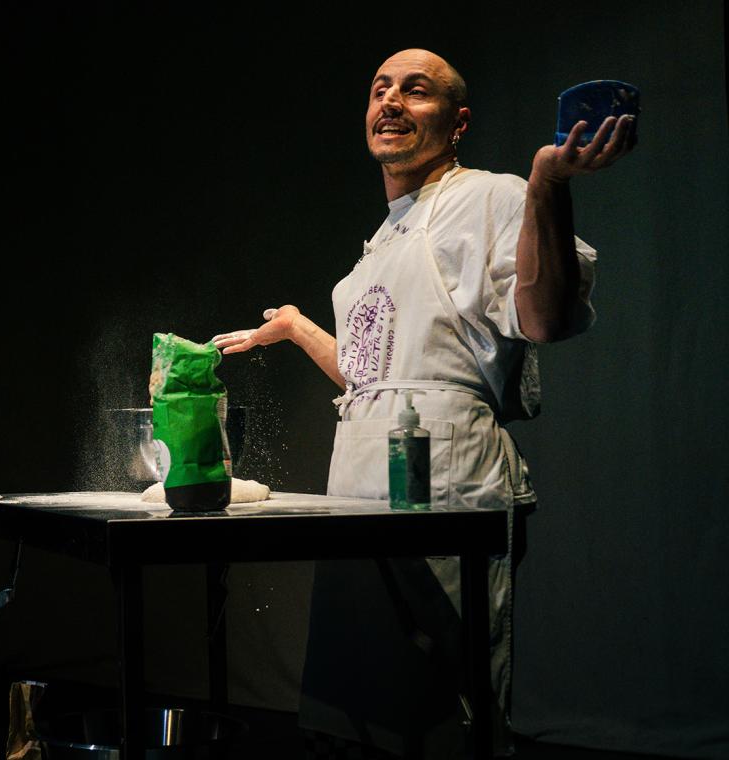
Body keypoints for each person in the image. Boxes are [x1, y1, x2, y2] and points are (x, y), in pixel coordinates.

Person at [212, 49, 635, 758]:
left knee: (442, 707)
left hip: (444, 483)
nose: (393, 102)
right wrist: (294, 326)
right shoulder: (379, 244)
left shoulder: (491, 195)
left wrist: (546, 185)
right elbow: (372, 374)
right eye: (380, 89)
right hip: (358, 488)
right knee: (364, 712)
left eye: (417, 90)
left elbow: (546, 317)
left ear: (458, 120)